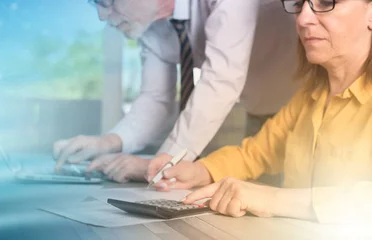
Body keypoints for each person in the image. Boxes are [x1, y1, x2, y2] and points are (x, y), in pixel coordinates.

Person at [147, 0, 372, 223]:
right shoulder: (310, 95)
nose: (302, 19)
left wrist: (272, 198)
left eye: (325, 2)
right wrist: (199, 170)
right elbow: (255, 154)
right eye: (298, 5)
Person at [53, 0, 299, 183]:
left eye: (106, 1)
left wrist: (160, 164)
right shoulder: (151, 25)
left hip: (308, 106)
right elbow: (156, 98)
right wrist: (109, 142)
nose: (100, 15)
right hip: (259, 114)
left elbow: (222, 79)